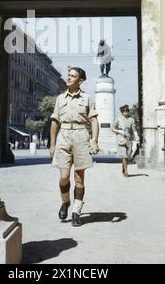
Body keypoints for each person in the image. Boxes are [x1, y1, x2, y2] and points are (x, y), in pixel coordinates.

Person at [49, 67, 99, 227]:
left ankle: (76, 212)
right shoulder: (60, 98)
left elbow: (94, 120)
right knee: (64, 177)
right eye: (68, 75)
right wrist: (52, 143)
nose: (68, 78)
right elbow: (55, 121)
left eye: (72, 76)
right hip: (63, 136)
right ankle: (65, 201)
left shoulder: (87, 98)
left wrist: (95, 140)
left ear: (81, 80)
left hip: (80, 135)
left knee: (79, 177)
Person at [112, 104, 139, 177]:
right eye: (124, 111)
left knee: (127, 156)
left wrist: (136, 136)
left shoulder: (131, 119)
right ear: (122, 112)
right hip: (121, 139)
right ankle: (126, 172)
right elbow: (113, 128)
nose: (126, 113)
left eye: (127, 111)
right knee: (124, 156)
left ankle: (124, 167)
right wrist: (120, 132)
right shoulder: (118, 119)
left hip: (129, 140)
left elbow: (133, 129)